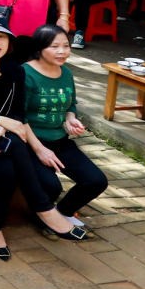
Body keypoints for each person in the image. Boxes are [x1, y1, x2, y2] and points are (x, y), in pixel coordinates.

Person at [0, 14, 87, 260]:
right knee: (14, 147)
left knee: (7, 169)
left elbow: (17, 112)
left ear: (9, 41)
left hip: (1, 139)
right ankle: (43, 208)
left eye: (1, 37)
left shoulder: (14, 69)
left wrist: (5, 126)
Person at [22, 25, 108, 231]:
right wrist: (39, 150)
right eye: (54, 47)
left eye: (66, 46)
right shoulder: (25, 73)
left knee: (96, 181)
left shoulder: (66, 73)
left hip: (60, 141)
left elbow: (71, 104)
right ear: (40, 48)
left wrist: (70, 119)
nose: (62, 51)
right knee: (51, 186)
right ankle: (42, 219)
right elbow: (18, 117)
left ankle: (62, 213)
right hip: (30, 144)